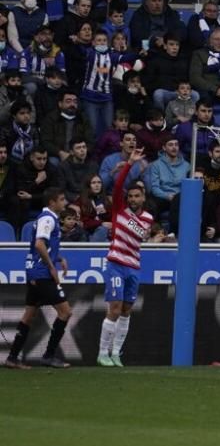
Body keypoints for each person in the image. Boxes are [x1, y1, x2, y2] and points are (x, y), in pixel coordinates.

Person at [96, 147, 154, 366]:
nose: (132, 199)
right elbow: (118, 185)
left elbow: (142, 233)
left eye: (137, 196)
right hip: (116, 263)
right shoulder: (119, 210)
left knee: (127, 311)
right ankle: (102, 352)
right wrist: (130, 164)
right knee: (115, 308)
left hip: (133, 266)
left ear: (143, 197)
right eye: (130, 196)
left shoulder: (148, 217)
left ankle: (116, 353)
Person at [4, 187, 72, 369]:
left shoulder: (47, 218)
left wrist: (59, 258)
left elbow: (41, 247)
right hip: (41, 273)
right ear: (52, 202)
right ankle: (49, 355)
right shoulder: (48, 219)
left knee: (29, 315)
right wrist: (52, 267)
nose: (64, 203)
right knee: (65, 312)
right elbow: (39, 244)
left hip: (34, 271)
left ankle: (12, 357)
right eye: (62, 199)